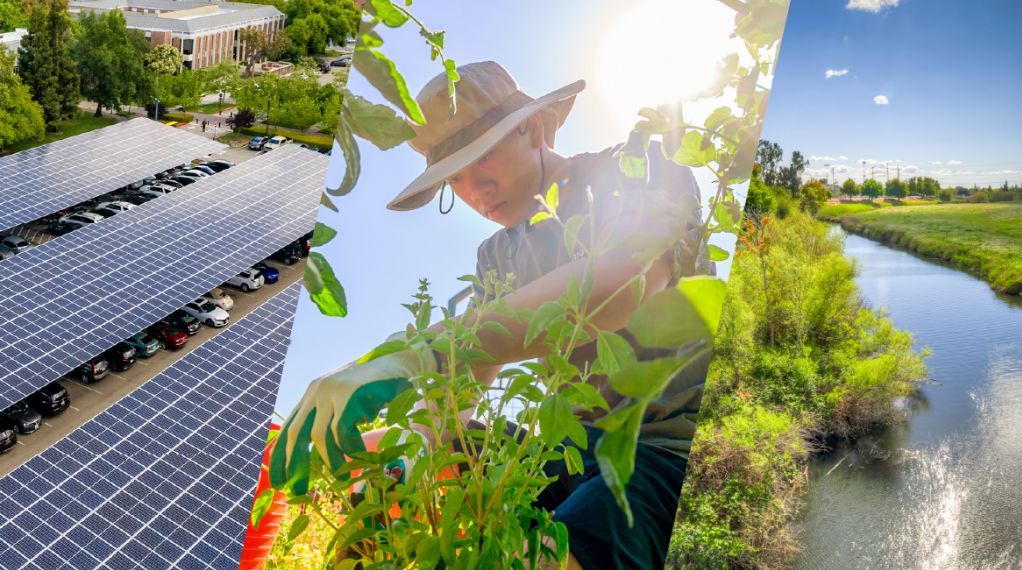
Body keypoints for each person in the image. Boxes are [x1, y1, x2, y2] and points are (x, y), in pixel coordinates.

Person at [272, 61, 709, 569]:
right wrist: (406, 446)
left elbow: (621, 285)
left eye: (482, 159)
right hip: (565, 448)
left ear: (533, 126)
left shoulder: (637, 168)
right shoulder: (497, 257)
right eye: (454, 179)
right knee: (386, 468)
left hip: (660, 446)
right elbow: (466, 383)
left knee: (540, 557)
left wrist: (420, 354)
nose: (474, 190)